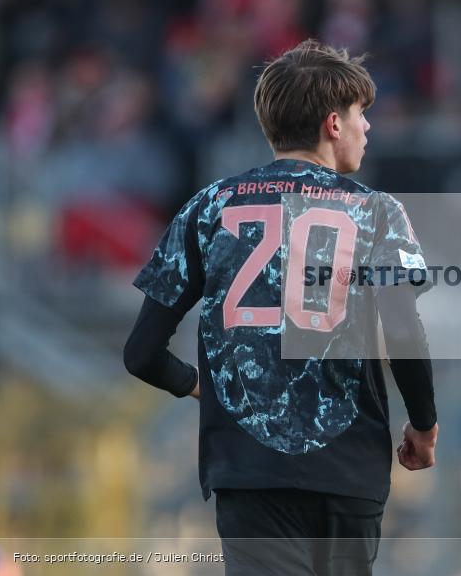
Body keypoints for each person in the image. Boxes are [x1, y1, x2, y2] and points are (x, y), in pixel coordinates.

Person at [123, 40, 438, 576]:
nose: (369, 128)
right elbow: (405, 332)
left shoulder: (210, 207)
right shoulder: (376, 212)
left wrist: (205, 387)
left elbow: (141, 354)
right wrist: (424, 426)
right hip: (348, 468)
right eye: (363, 115)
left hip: (248, 471)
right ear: (334, 124)